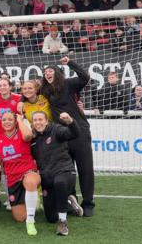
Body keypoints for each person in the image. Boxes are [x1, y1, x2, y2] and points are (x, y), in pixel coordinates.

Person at [40, 56, 95, 216]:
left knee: (85, 168)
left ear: (57, 73)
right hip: (62, 135)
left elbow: (85, 77)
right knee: (65, 170)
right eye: (45, 72)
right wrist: (21, 101)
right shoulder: (46, 91)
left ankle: (88, 203)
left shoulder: (69, 84)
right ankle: (72, 201)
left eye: (50, 71)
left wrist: (70, 62)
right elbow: (29, 94)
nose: (47, 74)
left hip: (79, 132)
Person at [32, 111, 83, 236]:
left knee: (59, 182)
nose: (38, 123)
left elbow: (74, 133)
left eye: (40, 119)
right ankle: (69, 203)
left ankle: (63, 222)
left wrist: (70, 122)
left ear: (47, 121)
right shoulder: (33, 140)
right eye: (35, 120)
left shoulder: (56, 130)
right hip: (47, 179)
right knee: (50, 217)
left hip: (65, 172)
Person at [0, 112, 40, 235]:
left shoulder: (21, 133)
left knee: (30, 181)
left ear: (15, 122)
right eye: (4, 120)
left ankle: (30, 221)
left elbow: (29, 135)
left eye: (10, 119)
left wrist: (20, 119)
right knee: (19, 218)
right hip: (13, 178)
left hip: (27, 171)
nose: (6, 122)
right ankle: (31, 201)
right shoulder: (0, 138)